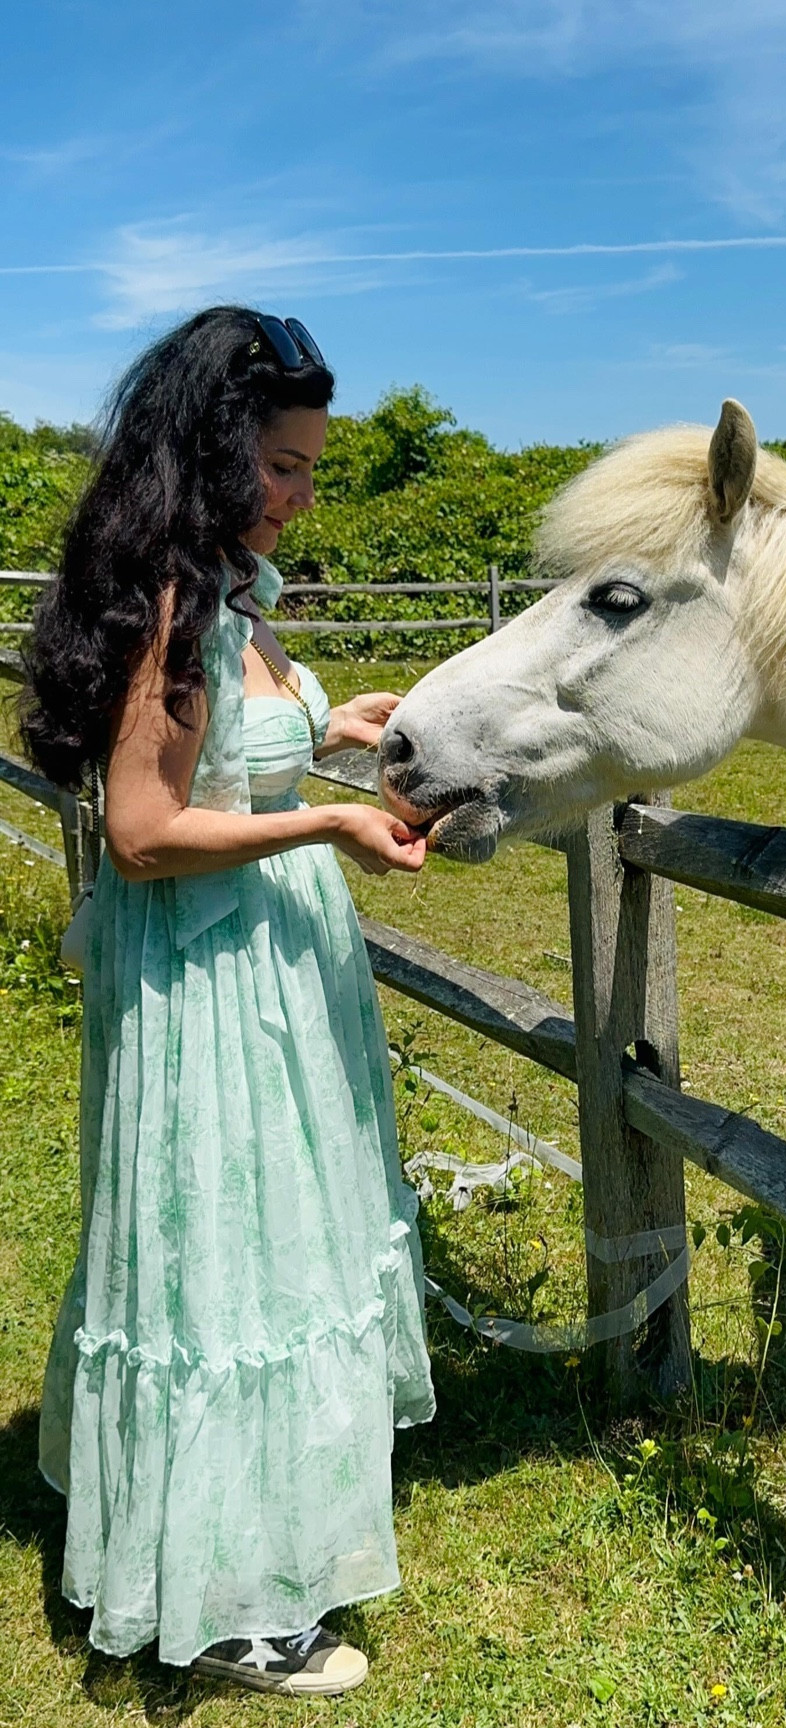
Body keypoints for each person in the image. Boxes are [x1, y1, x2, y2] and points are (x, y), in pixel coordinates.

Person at [21, 306, 436, 1698]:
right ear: (208, 457)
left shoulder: (229, 590)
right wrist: (325, 826)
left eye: (313, 466)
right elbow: (142, 829)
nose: (303, 494)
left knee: (269, 1238)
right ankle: (229, 1604)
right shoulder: (172, 602)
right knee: (226, 1252)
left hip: (257, 959)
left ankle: (245, 1533)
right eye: (283, 466)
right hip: (208, 975)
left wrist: (327, 726)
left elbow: (217, 755)